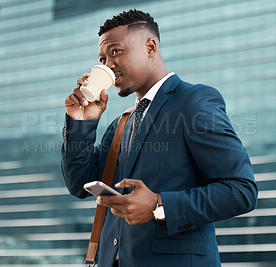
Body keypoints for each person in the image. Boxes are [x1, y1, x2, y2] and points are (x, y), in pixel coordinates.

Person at [61, 9, 258, 267]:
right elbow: (79, 184)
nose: (107, 64)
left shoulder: (194, 102)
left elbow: (241, 190)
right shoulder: (121, 123)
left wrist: (159, 204)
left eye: (115, 52)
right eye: (102, 57)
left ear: (150, 47)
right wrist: (80, 122)